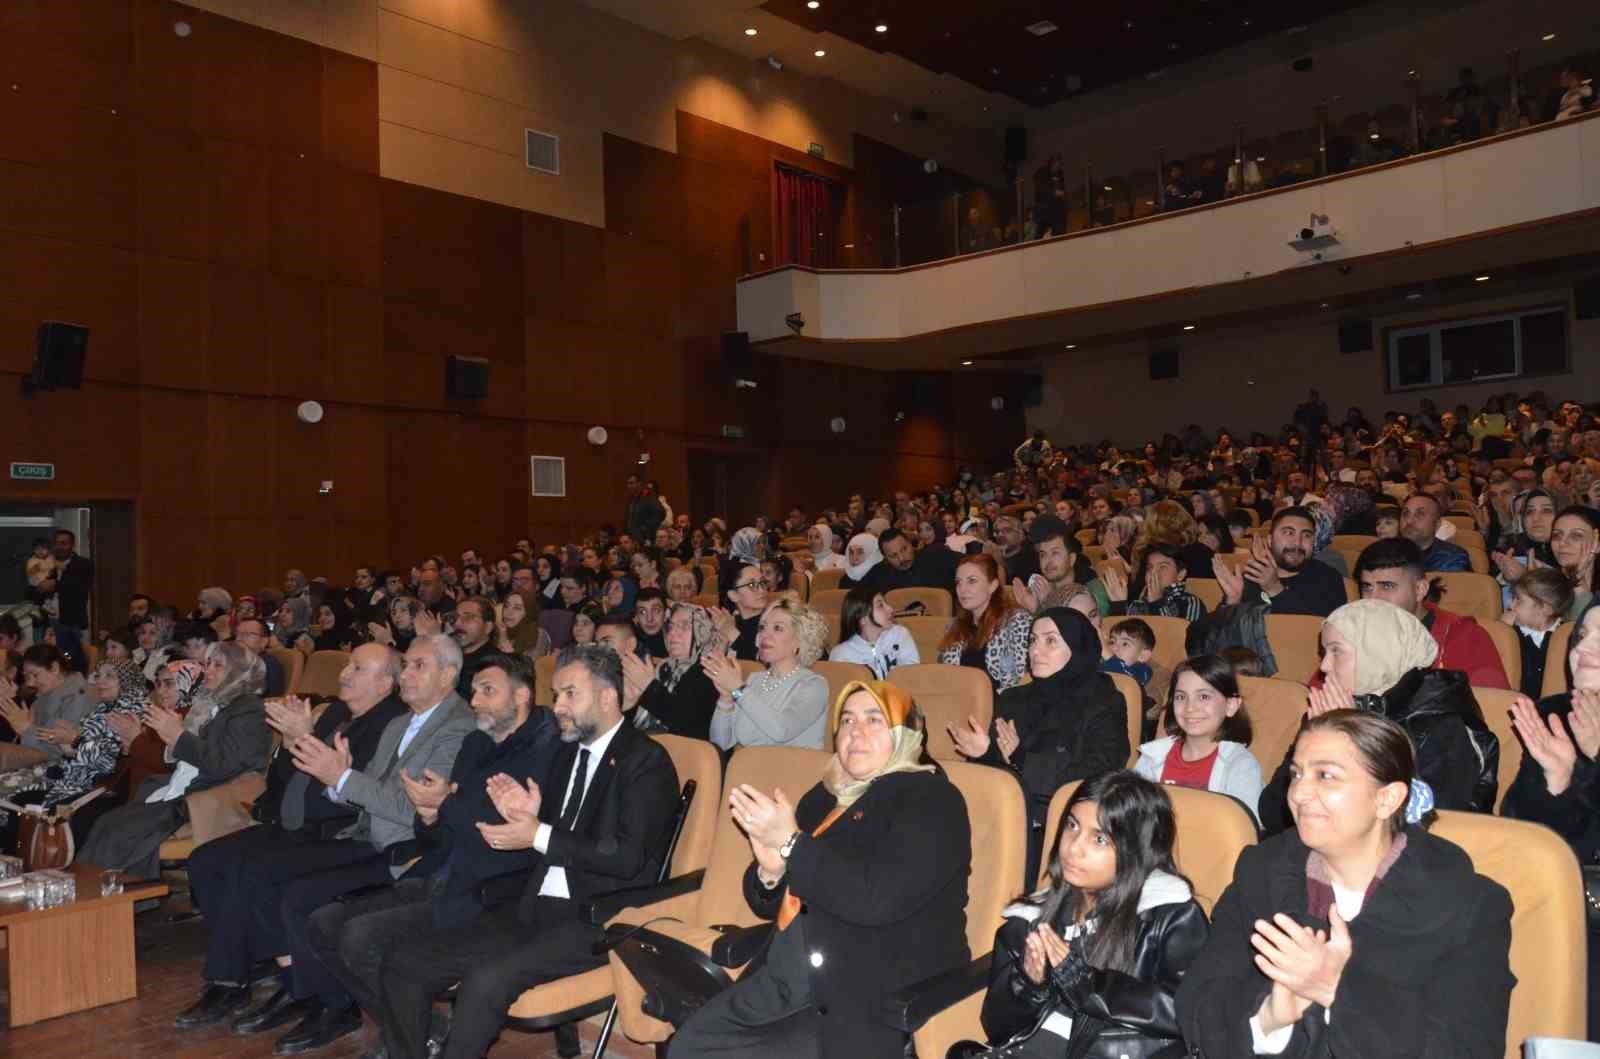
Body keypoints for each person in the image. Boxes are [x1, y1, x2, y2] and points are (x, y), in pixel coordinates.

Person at [327, 644, 677, 1059]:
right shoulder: (566, 755)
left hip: (594, 918)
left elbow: (626, 858)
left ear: (606, 697)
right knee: (405, 963)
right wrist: (528, 817)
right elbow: (541, 831)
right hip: (530, 904)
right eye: (557, 693)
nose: (558, 706)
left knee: (484, 980)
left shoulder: (646, 761)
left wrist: (538, 832)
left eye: (570, 694)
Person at [1177, 709, 1514, 1058]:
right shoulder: (1262, 872)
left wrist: (1337, 989)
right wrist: (1269, 1021)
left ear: (1386, 799)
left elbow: (1466, 1049)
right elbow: (1198, 1002)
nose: (1299, 793)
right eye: (1297, 773)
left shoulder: (1469, 905)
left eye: (1326, 776)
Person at [671, 680, 970, 1059]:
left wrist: (793, 845)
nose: (855, 731)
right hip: (784, 980)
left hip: (865, 993)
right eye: (846, 721)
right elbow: (771, 903)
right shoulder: (826, 794)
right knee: (686, 1046)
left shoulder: (933, 800)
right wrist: (771, 873)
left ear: (907, 733)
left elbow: (876, 899)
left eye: (874, 720)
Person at [172, 644, 409, 1032]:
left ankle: (248, 980)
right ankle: (248, 966)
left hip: (339, 833)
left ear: (385, 684)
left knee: (253, 872)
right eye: (347, 664)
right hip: (295, 824)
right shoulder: (335, 712)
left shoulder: (390, 723)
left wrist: (306, 736)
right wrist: (288, 742)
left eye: (358, 668)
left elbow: (354, 792)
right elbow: (285, 776)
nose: (345, 672)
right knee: (206, 861)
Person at [266, 634, 478, 1054]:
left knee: (306, 900)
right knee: (280, 879)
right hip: (365, 837)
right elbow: (368, 794)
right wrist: (336, 780)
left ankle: (357, 1012)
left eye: (419, 666)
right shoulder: (400, 722)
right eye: (407, 665)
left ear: (449, 675)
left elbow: (411, 811)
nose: (407, 674)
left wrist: (340, 777)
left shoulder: (460, 728)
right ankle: (391, 1019)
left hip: (409, 851)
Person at [949, 772, 1209, 1059]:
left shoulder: (1170, 916)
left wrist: (1086, 984)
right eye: (1072, 826)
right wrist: (1030, 986)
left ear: (1136, 850)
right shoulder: (1029, 920)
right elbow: (997, 1027)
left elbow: (1193, 1013)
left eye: (1099, 839)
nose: (1073, 848)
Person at [1257, 600, 1499, 834]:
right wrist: (1316, 735)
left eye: (1336, 651)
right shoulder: (1329, 709)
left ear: (1377, 653)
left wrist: (1354, 735)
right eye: (1324, 653)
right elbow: (1273, 814)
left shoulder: (1442, 725)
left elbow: (1421, 831)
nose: (1324, 666)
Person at [948, 609, 1130, 881]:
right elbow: (1000, 774)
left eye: (1050, 641)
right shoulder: (1013, 699)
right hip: (1003, 822)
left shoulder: (1105, 701)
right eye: (1032, 640)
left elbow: (1097, 774)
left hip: (1065, 831)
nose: (1035, 650)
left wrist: (1022, 759)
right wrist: (983, 754)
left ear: (1077, 649)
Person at [79, 641, 270, 881]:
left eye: (217, 666)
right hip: (185, 788)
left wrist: (178, 737)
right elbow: (189, 760)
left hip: (209, 798)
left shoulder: (248, 710)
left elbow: (225, 765)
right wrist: (171, 740)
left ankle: (108, 901)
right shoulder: (216, 705)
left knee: (120, 831)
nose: (208, 671)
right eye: (207, 663)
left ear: (240, 672)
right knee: (107, 822)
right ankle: (90, 898)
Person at [0, 658, 148, 850]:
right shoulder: (102, 710)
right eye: (98, 675)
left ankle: (36, 863)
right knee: (22, 802)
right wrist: (66, 745)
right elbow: (80, 754)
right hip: (77, 779)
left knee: (46, 809)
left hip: (107, 788)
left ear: (127, 680)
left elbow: (111, 762)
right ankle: (17, 863)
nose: (100, 681)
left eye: (110, 676)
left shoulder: (134, 712)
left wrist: (74, 741)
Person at [1353, 538, 1509, 689]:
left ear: (1420, 589)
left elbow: (1489, 707)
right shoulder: (1350, 634)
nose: (1372, 600)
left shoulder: (1465, 638)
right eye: (1367, 587)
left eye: (1387, 586)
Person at [1134, 655, 1263, 822]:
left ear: (1231, 705)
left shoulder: (1240, 766)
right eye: (1181, 697)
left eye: (1203, 697)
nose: (1190, 707)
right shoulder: (1151, 758)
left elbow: (1245, 831)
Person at [704, 598, 830, 751]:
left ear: (799, 640)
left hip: (794, 772)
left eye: (778, 628)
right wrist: (726, 698)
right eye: (762, 627)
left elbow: (781, 730)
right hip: (747, 771)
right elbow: (720, 744)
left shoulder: (814, 685)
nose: (765, 635)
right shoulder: (754, 680)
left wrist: (738, 689)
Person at [1213, 507, 1348, 618]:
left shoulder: (1328, 578)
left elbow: (1318, 635)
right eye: (1288, 533)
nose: (1297, 542)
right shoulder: (1248, 577)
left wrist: (1274, 589)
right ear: (1270, 540)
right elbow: (1216, 640)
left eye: (1306, 535)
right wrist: (1231, 603)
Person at [625, 602, 722, 740]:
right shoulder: (662, 668)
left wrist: (648, 687)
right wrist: (629, 704)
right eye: (670, 626)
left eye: (684, 626)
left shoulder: (710, 670)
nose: (672, 633)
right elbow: (632, 726)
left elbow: (685, 723)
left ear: (702, 630)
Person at [940, 554, 1033, 692]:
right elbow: (946, 682)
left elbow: (1020, 681)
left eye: (972, 581)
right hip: (959, 706)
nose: (962, 589)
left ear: (993, 585)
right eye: (958, 582)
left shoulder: (1017, 622)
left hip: (1004, 707)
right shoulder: (954, 627)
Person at [0, 643, 93, 770]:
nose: (30, 683)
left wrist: (26, 729)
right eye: (27, 677)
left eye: (35, 675)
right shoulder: (46, 694)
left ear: (54, 668)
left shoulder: (78, 697)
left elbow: (59, 753)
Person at [1502, 567, 1572, 699]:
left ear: (1545, 609)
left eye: (1518, 600)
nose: (1510, 605)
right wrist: (1502, 632)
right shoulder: (1509, 632)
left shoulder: (1567, 637)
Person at [828, 585, 919, 679]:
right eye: (880, 606)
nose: (890, 609)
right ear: (862, 619)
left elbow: (911, 679)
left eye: (886, 603)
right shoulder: (841, 655)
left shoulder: (900, 635)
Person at [1103, 542, 1206, 621]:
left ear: (1180, 575)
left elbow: (1178, 642)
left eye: (1162, 567)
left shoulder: (1189, 602)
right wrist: (1118, 607)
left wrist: (1157, 604)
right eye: (1149, 567)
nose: (1153, 573)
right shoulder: (1138, 605)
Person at [713, 563, 770, 662]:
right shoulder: (728, 623)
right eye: (751, 585)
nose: (761, 590)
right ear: (733, 595)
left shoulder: (776, 623)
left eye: (762, 582)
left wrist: (734, 636)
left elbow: (764, 668)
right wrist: (721, 646)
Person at [1399, 494, 1471, 572]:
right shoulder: (1387, 552)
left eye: (1420, 514)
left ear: (1437, 524)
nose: (1409, 521)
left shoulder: (1453, 557)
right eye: (1405, 514)